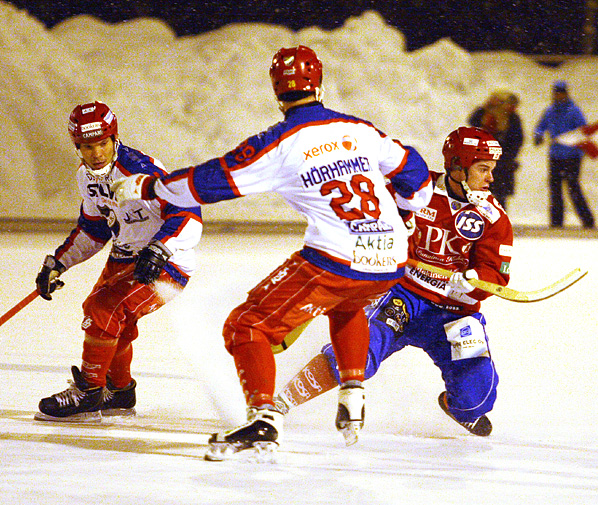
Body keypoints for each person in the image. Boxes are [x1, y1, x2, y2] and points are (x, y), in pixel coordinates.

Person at [112, 45, 433, 458]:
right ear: (319, 84)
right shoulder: (361, 130)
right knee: (347, 304)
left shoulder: (279, 143)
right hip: (390, 259)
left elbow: (211, 183)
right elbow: (418, 177)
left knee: (246, 326)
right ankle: (353, 392)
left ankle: (263, 419)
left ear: (277, 92)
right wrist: (407, 210)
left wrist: (151, 187)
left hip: (337, 258)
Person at [274, 126, 513, 437]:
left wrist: (476, 280)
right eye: (483, 169)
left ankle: (459, 405)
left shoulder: (493, 218)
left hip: (454, 313)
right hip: (402, 295)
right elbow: (366, 215)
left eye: (492, 170)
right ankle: (276, 404)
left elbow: (497, 274)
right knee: (356, 353)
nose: (490, 178)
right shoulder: (413, 190)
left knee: (476, 400)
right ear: (458, 165)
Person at [34, 101, 203, 422]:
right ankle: (120, 392)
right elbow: (94, 228)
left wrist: (161, 248)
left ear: (115, 138)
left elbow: (188, 213)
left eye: (102, 143)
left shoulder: (143, 171)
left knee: (102, 310)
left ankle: (90, 391)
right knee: (113, 325)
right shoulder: (86, 177)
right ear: (77, 147)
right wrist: (58, 262)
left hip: (166, 264)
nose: (96, 153)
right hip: (122, 259)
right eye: (86, 146)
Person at [534, 80, 595, 228]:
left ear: (566, 94)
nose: (559, 96)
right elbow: (541, 126)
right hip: (555, 155)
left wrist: (573, 141)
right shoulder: (550, 111)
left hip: (572, 156)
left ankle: (587, 221)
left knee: (573, 187)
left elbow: (583, 130)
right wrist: (538, 134)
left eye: (561, 93)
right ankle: (556, 222)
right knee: (555, 189)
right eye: (556, 93)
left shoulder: (574, 111)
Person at [468, 89, 524, 209]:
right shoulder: (487, 115)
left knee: (500, 195)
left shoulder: (513, 119)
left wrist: (509, 156)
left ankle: (498, 223)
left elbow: (518, 140)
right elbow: (473, 121)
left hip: (502, 161)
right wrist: (484, 107)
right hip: (486, 159)